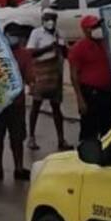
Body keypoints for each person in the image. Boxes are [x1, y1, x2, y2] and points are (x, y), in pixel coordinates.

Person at [68, 15, 111, 141]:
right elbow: (74, 75)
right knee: (89, 130)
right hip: (91, 94)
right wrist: (80, 99)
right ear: (85, 30)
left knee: (109, 129)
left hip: (108, 92)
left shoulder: (107, 44)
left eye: (97, 26)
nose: (96, 29)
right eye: (93, 27)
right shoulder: (79, 48)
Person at [0, 29, 32, 181]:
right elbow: (30, 77)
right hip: (6, 103)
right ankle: (12, 167)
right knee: (7, 137)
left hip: (7, 103)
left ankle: (6, 167)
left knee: (7, 137)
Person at [26, 9, 69, 152]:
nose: (50, 22)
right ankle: (31, 137)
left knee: (56, 107)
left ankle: (61, 139)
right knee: (36, 105)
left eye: (52, 19)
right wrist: (48, 48)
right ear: (43, 20)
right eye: (47, 19)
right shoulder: (36, 33)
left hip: (55, 74)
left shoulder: (59, 33)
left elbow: (66, 54)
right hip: (41, 74)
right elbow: (31, 53)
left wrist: (62, 48)